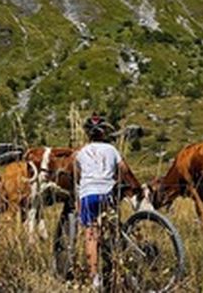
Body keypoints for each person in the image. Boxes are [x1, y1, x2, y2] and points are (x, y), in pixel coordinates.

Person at [74, 114, 131, 290]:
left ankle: (95, 279)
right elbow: (125, 169)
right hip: (108, 194)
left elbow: (77, 176)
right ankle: (119, 271)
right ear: (104, 132)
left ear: (88, 134)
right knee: (113, 230)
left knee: (90, 234)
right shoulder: (112, 150)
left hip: (88, 195)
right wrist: (117, 180)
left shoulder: (80, 153)